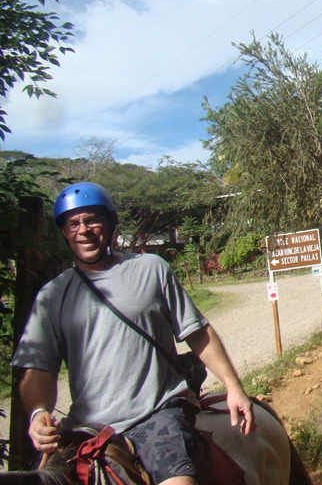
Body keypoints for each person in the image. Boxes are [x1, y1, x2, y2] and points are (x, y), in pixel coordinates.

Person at [11, 183, 255, 485]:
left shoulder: (151, 268)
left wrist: (233, 386)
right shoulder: (52, 296)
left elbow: (197, 332)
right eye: (72, 224)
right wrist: (37, 413)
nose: (83, 230)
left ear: (111, 223)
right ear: (63, 232)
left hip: (157, 414)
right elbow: (38, 368)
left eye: (92, 220)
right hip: (85, 426)